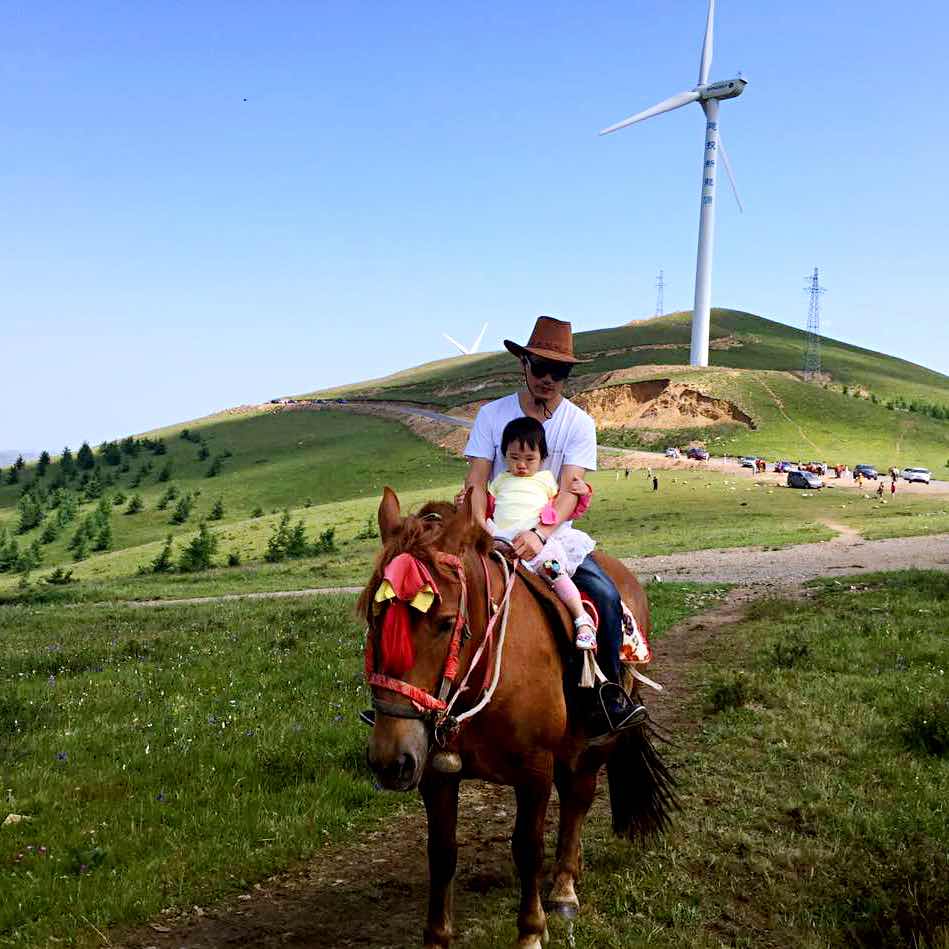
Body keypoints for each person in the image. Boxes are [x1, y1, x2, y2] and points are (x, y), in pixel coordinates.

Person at [463, 315, 647, 734]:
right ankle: (420, 708)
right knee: (432, 593)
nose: (549, 379)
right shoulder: (491, 415)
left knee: (603, 592)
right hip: (490, 530)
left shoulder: (579, 423)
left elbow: (570, 490)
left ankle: (609, 696)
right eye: (541, 368)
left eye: (559, 371)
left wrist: (538, 535)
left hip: (549, 533)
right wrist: (482, 531)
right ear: (523, 364)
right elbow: (475, 482)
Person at [479, 416, 598, 651]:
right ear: (505, 456)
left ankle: (581, 618)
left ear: (542, 458)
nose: (521, 465)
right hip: (501, 544)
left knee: (554, 571)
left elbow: (567, 509)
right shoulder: (500, 482)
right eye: (514, 458)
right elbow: (487, 508)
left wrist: (584, 494)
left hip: (537, 546)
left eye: (529, 459)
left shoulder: (546, 481)